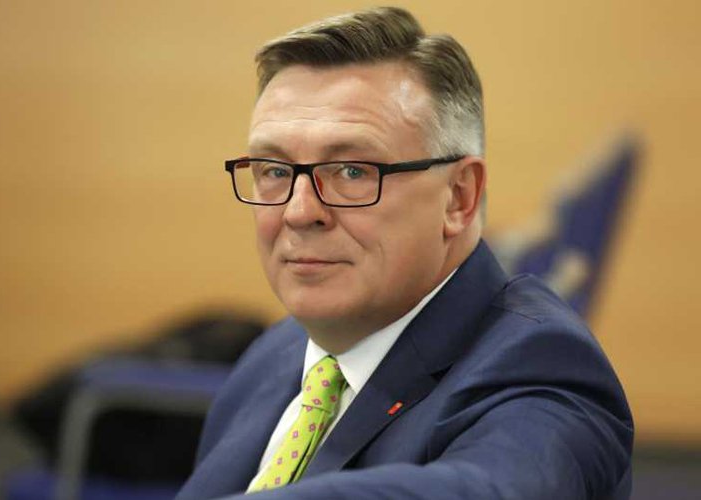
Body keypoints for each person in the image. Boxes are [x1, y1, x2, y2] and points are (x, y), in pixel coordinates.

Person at [176, 6, 633, 500]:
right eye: (275, 170)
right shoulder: (279, 352)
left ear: (459, 197)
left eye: (352, 171)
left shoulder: (540, 364)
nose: (299, 211)